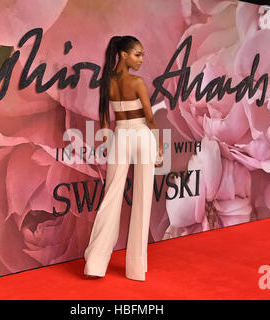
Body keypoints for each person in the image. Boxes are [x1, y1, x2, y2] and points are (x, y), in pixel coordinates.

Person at [83, 35, 163, 281]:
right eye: (138, 54)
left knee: (111, 195)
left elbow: (104, 118)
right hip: (141, 133)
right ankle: (135, 268)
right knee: (141, 199)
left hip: (120, 135)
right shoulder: (137, 82)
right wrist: (159, 144)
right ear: (124, 55)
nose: (141, 59)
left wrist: (110, 142)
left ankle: (95, 263)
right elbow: (150, 118)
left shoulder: (106, 81)